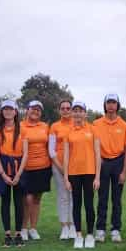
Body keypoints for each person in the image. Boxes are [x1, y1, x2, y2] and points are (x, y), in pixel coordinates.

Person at [93, 94, 126, 243]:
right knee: (102, 198)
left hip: (118, 162)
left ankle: (116, 229)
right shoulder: (96, 124)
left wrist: (124, 171)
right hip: (102, 163)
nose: (111, 105)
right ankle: (100, 229)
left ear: (117, 105)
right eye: (108, 102)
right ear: (105, 105)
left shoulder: (124, 125)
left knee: (117, 199)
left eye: (113, 102)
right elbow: (93, 145)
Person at [63, 101, 101, 249]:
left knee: (89, 204)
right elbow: (66, 156)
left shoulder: (93, 129)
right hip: (73, 173)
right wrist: (66, 178)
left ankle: (90, 235)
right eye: (75, 110)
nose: (77, 113)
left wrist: (97, 177)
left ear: (85, 113)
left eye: (80, 110)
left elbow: (97, 154)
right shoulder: (68, 131)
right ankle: (78, 235)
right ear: (72, 113)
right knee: (76, 205)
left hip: (89, 172)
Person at [0, 100, 28, 248]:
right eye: (5, 109)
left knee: (19, 202)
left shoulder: (22, 130)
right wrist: (3, 174)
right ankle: (7, 234)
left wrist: (18, 174)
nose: (8, 112)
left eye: (10, 109)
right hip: (4, 167)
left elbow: (26, 154)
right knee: (5, 202)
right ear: (2, 112)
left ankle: (19, 233)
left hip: (18, 167)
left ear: (15, 112)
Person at [20, 100, 52, 241]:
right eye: (33, 108)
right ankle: (23, 228)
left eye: (38, 109)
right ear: (27, 110)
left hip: (43, 167)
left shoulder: (45, 126)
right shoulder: (20, 126)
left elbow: (49, 146)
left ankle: (33, 228)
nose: (35, 111)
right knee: (27, 199)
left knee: (37, 199)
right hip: (26, 167)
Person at [49, 100, 76, 240]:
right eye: (63, 108)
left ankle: (73, 225)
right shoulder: (54, 126)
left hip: (75, 167)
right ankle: (64, 226)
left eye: (68, 108)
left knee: (73, 196)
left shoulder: (76, 124)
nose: (65, 110)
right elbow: (51, 150)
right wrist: (61, 168)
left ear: (71, 110)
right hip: (58, 166)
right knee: (63, 196)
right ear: (59, 110)